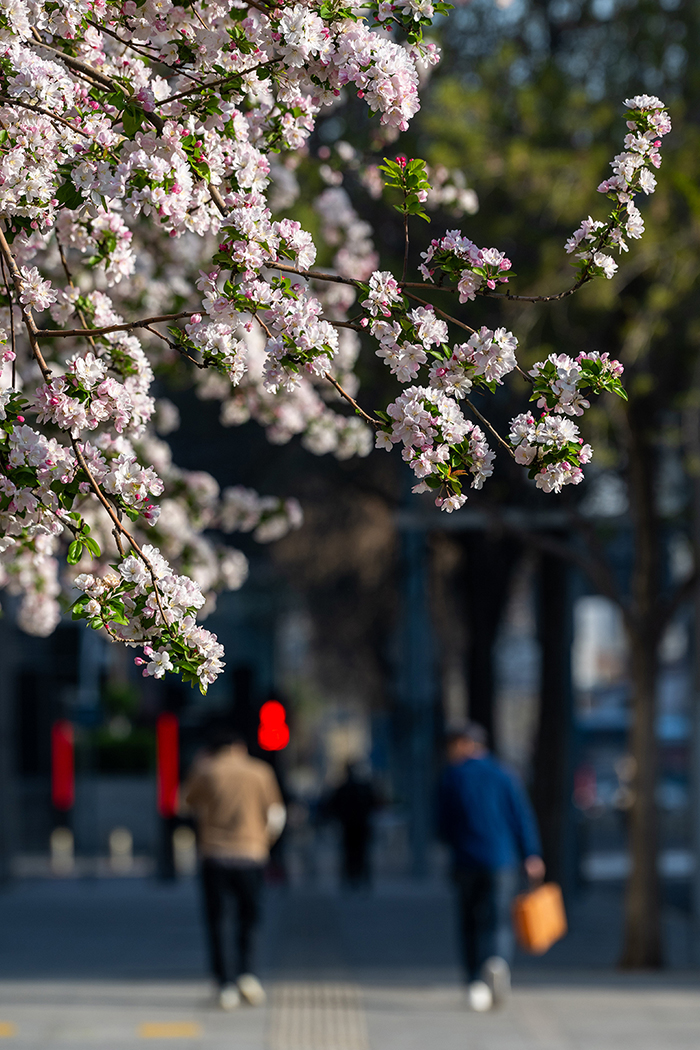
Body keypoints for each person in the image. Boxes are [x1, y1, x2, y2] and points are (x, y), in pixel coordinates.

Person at [437, 721, 545, 1013]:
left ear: (464, 745)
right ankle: (497, 960)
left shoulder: (453, 777)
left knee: (470, 921)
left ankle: (475, 983)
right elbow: (521, 816)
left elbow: (442, 826)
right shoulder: (505, 775)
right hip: (502, 860)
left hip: (466, 861)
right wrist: (531, 854)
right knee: (497, 918)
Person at [182, 725, 286, 1011]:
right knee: (250, 917)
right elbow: (276, 814)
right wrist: (264, 842)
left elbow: (186, 803)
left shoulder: (206, 771)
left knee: (217, 920)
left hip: (214, 855)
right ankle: (248, 974)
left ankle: (225, 983)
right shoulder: (260, 771)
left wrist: (198, 766)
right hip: (251, 854)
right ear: (239, 747)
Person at [329, 761, 378, 888]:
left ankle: (353, 880)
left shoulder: (344, 788)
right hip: (357, 826)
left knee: (351, 854)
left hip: (350, 826)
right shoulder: (361, 788)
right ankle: (360, 880)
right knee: (359, 853)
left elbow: (332, 806)